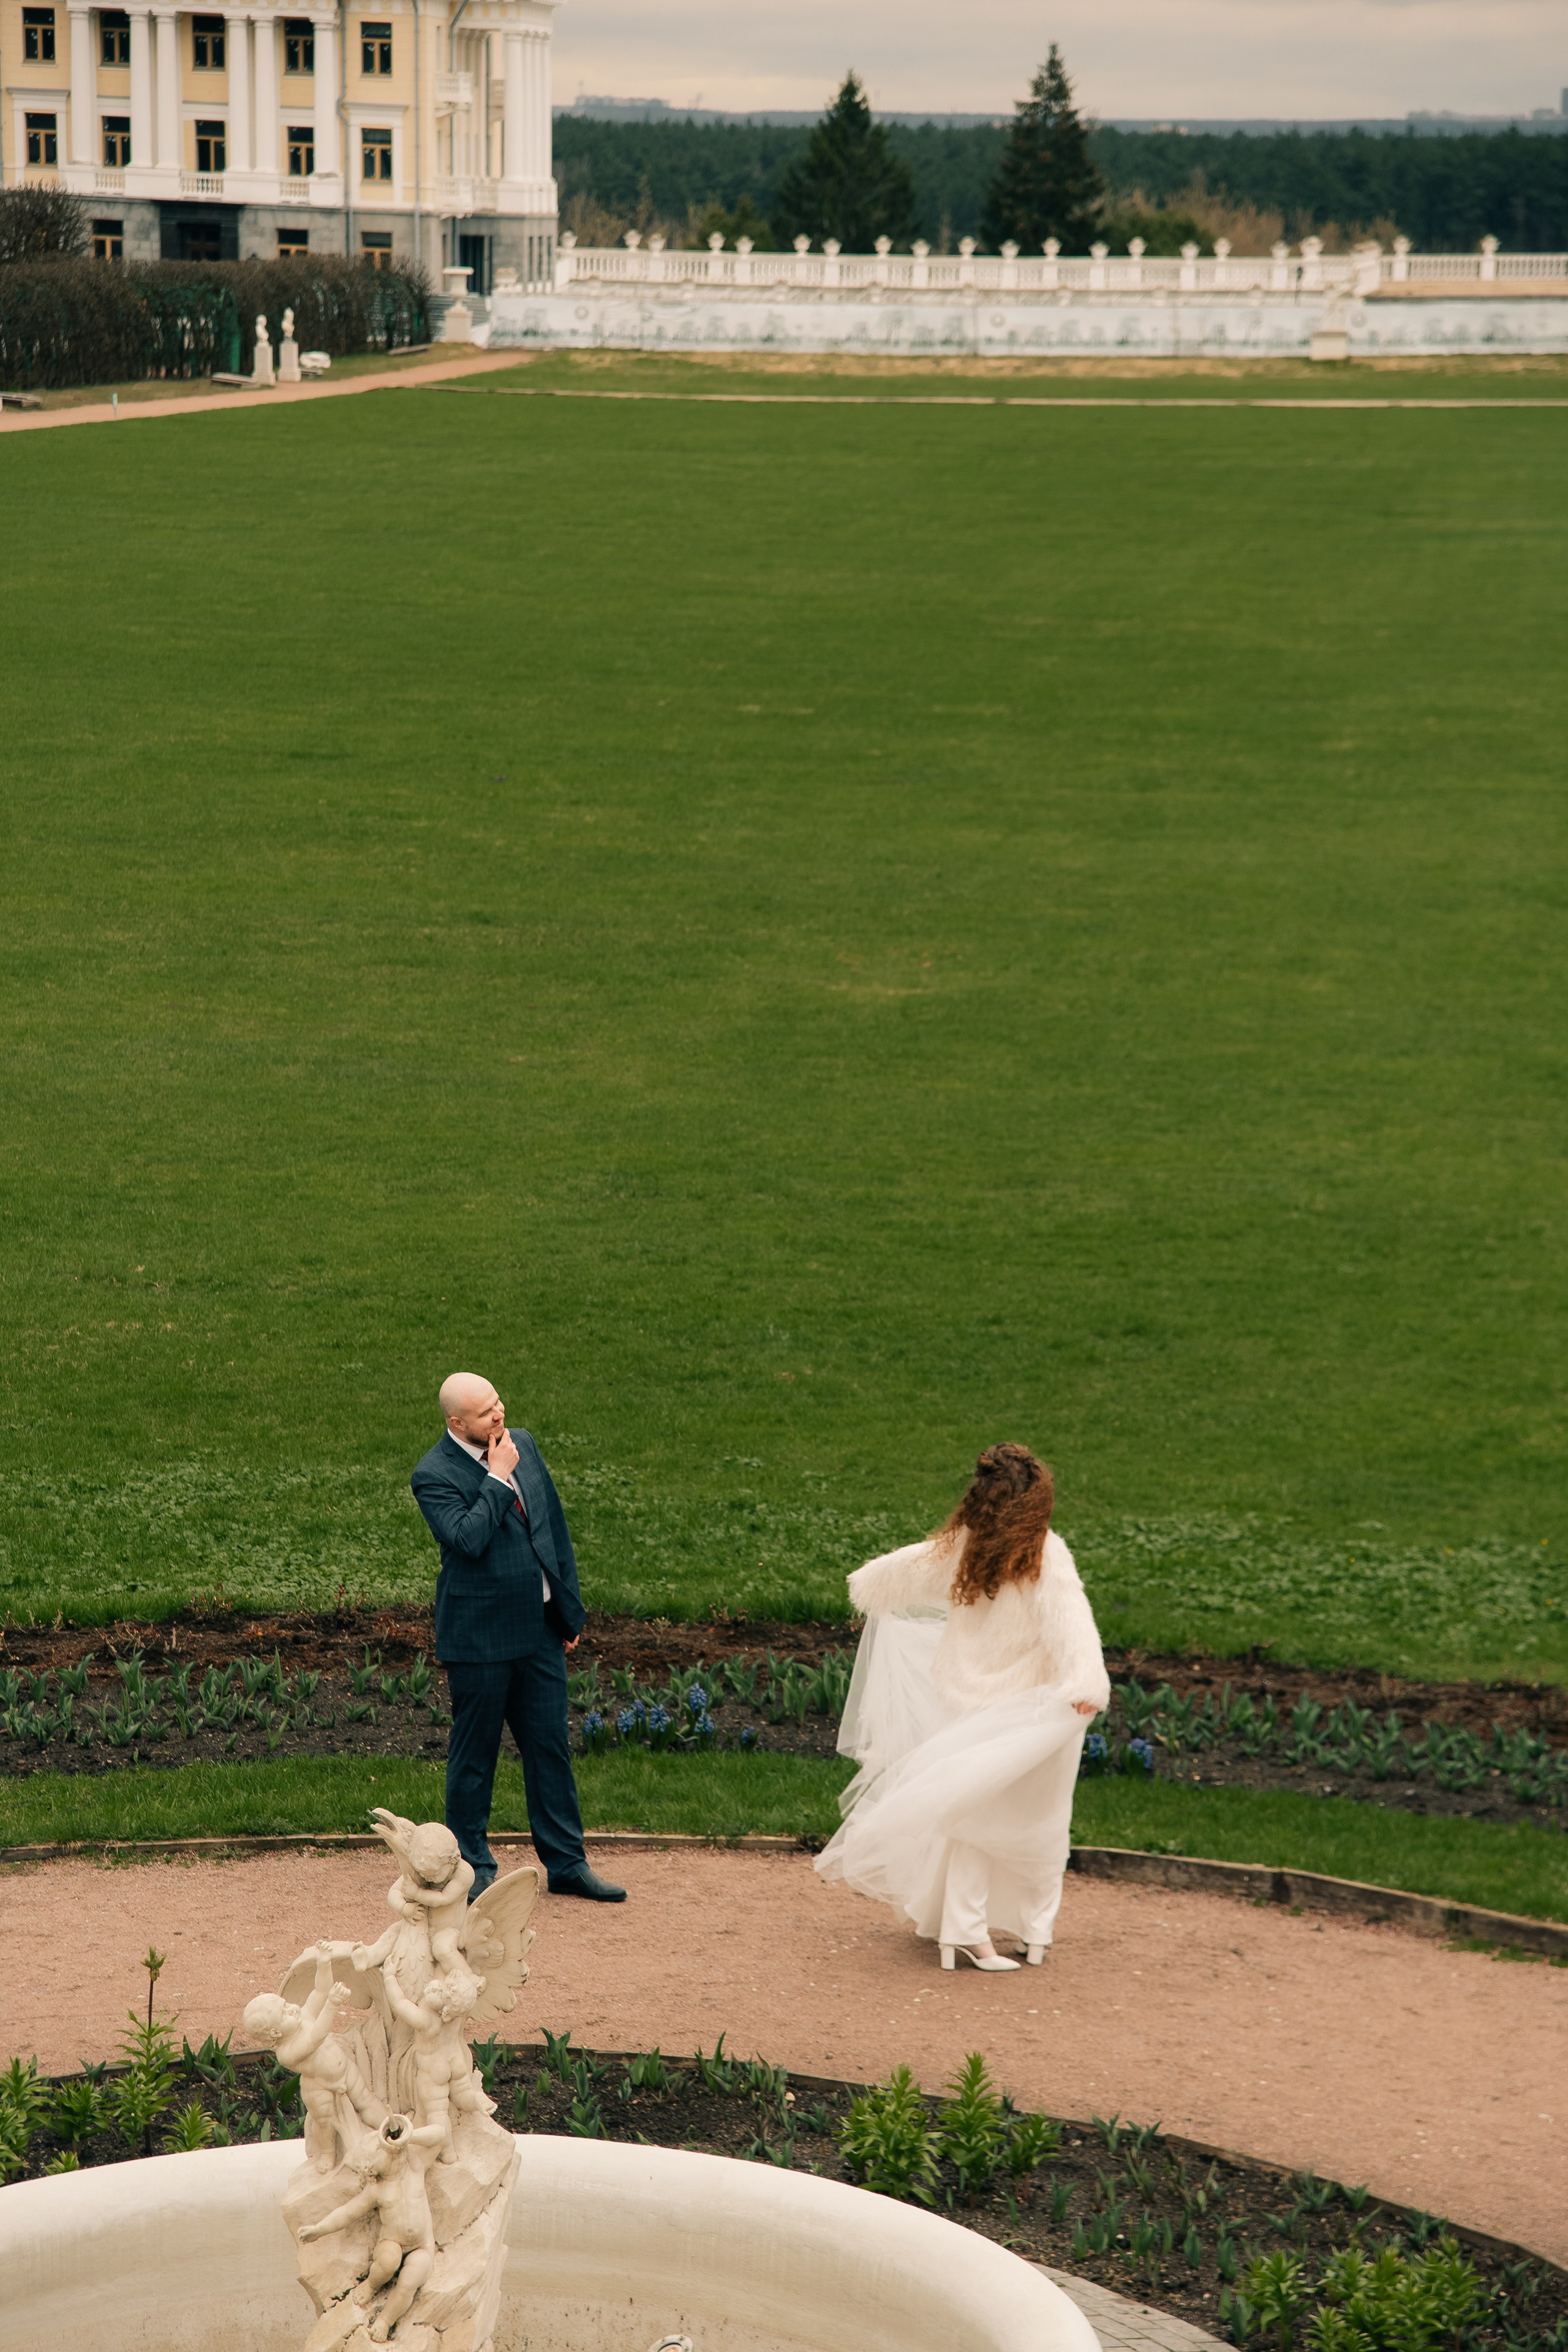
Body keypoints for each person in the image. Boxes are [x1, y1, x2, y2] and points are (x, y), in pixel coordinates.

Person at [815, 1442, 1107, 1972]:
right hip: (1036, 1709)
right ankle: (1030, 1932)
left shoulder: (963, 1547)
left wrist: (869, 1586)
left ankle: (963, 1931)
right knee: (1042, 1821)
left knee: (974, 1819)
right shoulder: (1046, 1552)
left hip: (969, 1703)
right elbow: (1071, 1624)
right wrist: (1088, 1682)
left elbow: (892, 1575)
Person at [410, 1372, 625, 1904]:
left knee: (550, 1750)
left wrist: (567, 1614)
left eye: (498, 1403)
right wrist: (498, 1479)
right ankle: (473, 1867)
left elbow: (552, 1527)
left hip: (539, 1635)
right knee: (475, 1756)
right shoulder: (433, 1474)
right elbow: (468, 1540)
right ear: (456, 1423)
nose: (499, 1415)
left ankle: (568, 1863)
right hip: (480, 1641)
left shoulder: (521, 1443)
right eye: (485, 1413)